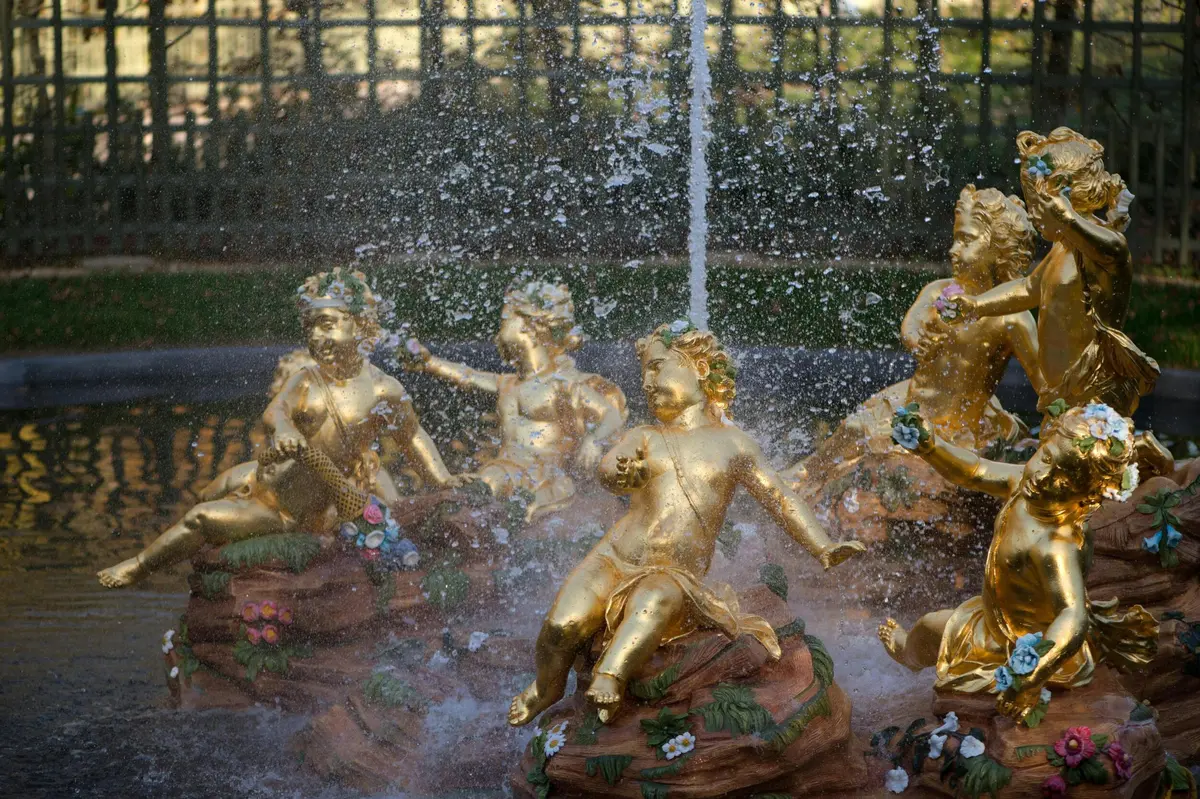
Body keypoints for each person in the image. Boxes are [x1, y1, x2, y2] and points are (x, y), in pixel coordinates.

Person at [508, 321, 864, 726]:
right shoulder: (644, 435)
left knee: (653, 600)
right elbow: (610, 465)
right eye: (644, 371)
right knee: (561, 625)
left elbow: (780, 498)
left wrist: (823, 546)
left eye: (658, 367)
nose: (646, 380)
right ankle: (545, 687)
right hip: (613, 557)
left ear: (699, 367)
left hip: (674, 572)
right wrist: (621, 474)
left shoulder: (734, 445)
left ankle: (611, 676)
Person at [97, 268, 463, 588]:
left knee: (200, 517)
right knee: (209, 491)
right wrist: (285, 429)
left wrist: (442, 478)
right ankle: (185, 558)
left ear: (361, 324)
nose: (318, 337)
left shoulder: (385, 390)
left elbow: (412, 436)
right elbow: (275, 413)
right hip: (265, 482)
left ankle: (139, 566)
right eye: (312, 328)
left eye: (328, 324)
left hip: (292, 511)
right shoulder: (307, 378)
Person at [878, 401, 1156, 722]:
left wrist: (1030, 678)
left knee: (936, 632)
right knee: (927, 627)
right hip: (991, 620)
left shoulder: (1056, 543)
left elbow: (1072, 615)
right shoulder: (1025, 485)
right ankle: (907, 653)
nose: (1043, 475)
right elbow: (975, 471)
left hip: (1029, 646)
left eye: (1062, 480)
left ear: (1086, 493)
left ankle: (997, 673)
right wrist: (931, 446)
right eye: (1046, 457)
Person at [786, 185, 1043, 487]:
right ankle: (805, 474)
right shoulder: (939, 290)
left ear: (998, 250)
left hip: (957, 425)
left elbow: (1043, 380)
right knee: (852, 428)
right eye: (955, 239)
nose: (953, 250)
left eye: (966, 241)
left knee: (865, 434)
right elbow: (912, 323)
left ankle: (812, 477)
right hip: (911, 397)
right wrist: (918, 340)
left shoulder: (1012, 317)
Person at [406, 281, 627, 521]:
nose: (499, 331)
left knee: (525, 507)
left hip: (548, 475)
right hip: (506, 468)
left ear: (531, 326)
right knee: (484, 484)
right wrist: (428, 362)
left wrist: (593, 440)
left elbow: (610, 415)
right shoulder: (508, 383)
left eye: (506, 320)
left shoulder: (562, 383)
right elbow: (467, 376)